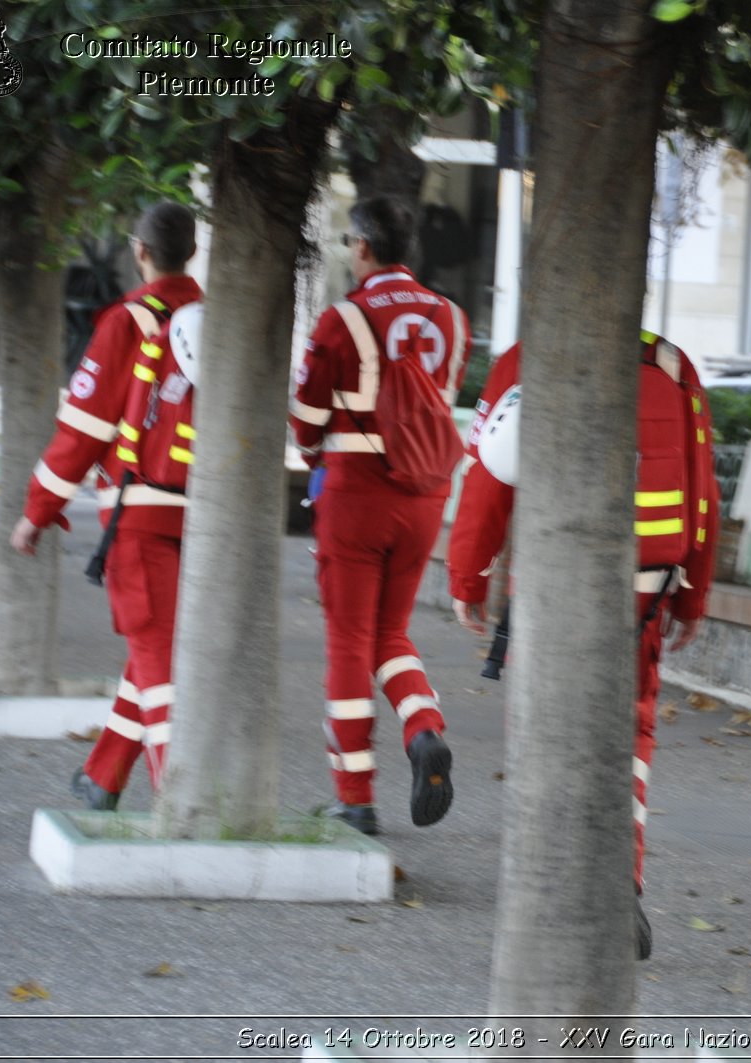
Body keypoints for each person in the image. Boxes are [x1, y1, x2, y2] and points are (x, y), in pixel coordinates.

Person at [447, 333, 720, 959]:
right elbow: (704, 488)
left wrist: (469, 575)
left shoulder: (527, 356)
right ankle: (620, 881)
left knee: (545, 730)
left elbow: (488, 474)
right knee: (630, 733)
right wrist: (692, 592)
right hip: (646, 581)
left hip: (554, 577)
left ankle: (552, 894)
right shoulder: (673, 366)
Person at [288, 196, 471, 836]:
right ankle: (424, 730)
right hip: (423, 498)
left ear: (362, 246)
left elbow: (306, 417)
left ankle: (355, 797)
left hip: (356, 496)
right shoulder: (451, 316)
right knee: (391, 632)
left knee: (348, 641)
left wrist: (313, 452)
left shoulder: (344, 319)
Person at [11, 202, 202, 809]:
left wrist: (37, 511)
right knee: (153, 651)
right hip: (205, 521)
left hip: (138, 518)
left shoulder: (128, 322)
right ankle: (102, 776)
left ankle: (180, 799)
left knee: (156, 659)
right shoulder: (220, 320)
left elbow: (83, 431)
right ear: (192, 252)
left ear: (139, 251)